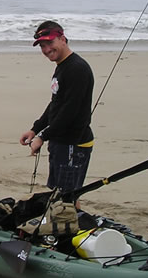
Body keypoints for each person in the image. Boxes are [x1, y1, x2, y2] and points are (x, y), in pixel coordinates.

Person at [19, 21, 94, 202]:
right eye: (42, 46)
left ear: (62, 39)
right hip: (60, 141)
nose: (46, 50)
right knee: (58, 193)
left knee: (65, 197)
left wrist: (42, 137)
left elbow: (70, 111)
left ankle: (68, 226)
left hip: (74, 144)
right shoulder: (63, 67)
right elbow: (56, 103)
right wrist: (35, 129)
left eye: (49, 43)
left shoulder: (77, 69)